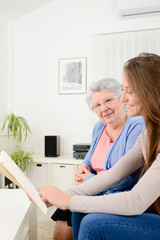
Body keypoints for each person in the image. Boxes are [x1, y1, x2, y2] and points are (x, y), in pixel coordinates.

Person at [35, 52, 160, 240]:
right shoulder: (148, 132)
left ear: (150, 91)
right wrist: (57, 195)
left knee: (93, 224)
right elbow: (113, 174)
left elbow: (136, 201)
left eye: (129, 90)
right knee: (78, 211)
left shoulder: (137, 126)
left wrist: (69, 200)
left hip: (144, 205)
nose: (123, 98)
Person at [52, 78, 144, 240]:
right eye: (98, 105)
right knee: (63, 212)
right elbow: (90, 157)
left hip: (118, 193)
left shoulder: (136, 125)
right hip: (95, 188)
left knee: (75, 207)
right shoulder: (99, 127)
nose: (104, 108)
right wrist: (84, 165)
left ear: (121, 98)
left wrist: (89, 178)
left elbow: (128, 177)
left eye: (108, 100)